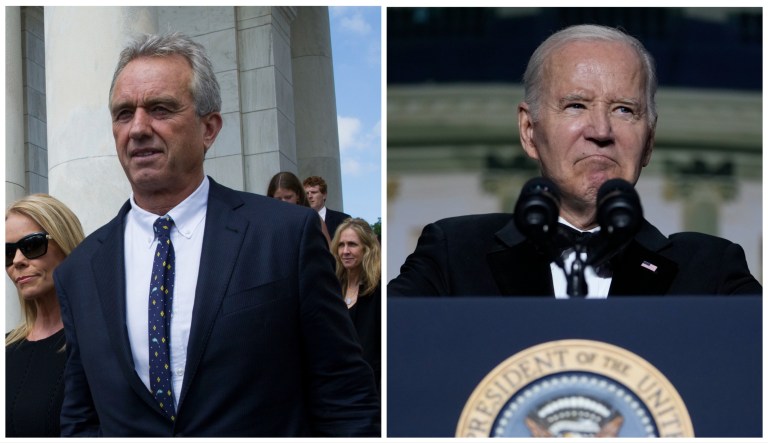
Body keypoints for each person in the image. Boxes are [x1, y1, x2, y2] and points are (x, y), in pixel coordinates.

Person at [53, 33, 379, 437]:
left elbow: (345, 396)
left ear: (209, 128)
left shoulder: (284, 236)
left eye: (160, 108)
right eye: (123, 113)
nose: (138, 128)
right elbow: (80, 419)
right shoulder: (81, 270)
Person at [388, 24, 761, 297]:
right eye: (576, 105)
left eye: (624, 110)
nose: (600, 129)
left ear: (649, 141)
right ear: (529, 130)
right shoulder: (454, 253)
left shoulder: (712, 273)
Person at [6, 194, 85, 437]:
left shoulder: (98, 344)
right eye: (8, 252)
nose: (17, 261)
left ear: (65, 243)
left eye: (32, 245)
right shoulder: (6, 348)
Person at [330, 218, 381, 393]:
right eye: (341, 245)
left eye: (352, 244)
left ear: (367, 249)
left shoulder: (378, 289)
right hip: (336, 386)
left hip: (370, 388)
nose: (345, 251)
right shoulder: (331, 288)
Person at [268, 171, 332, 245]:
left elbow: (329, 253)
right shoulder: (265, 223)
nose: (283, 203)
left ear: (298, 195)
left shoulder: (314, 219)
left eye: (288, 197)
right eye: (278, 199)